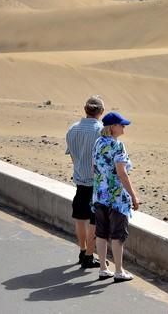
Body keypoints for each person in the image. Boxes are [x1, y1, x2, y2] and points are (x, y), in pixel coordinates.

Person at [93, 112, 140, 282]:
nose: (124, 127)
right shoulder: (117, 146)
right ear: (112, 127)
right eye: (121, 124)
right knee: (118, 234)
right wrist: (133, 196)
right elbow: (122, 173)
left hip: (100, 195)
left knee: (101, 232)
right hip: (117, 198)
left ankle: (103, 269)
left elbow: (94, 168)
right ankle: (119, 271)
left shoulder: (97, 143)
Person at [66, 95, 104, 269]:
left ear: (85, 110)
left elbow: (73, 157)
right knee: (93, 222)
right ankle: (89, 255)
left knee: (80, 219)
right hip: (95, 183)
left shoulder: (72, 129)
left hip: (80, 181)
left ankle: (82, 251)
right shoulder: (101, 130)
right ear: (101, 112)